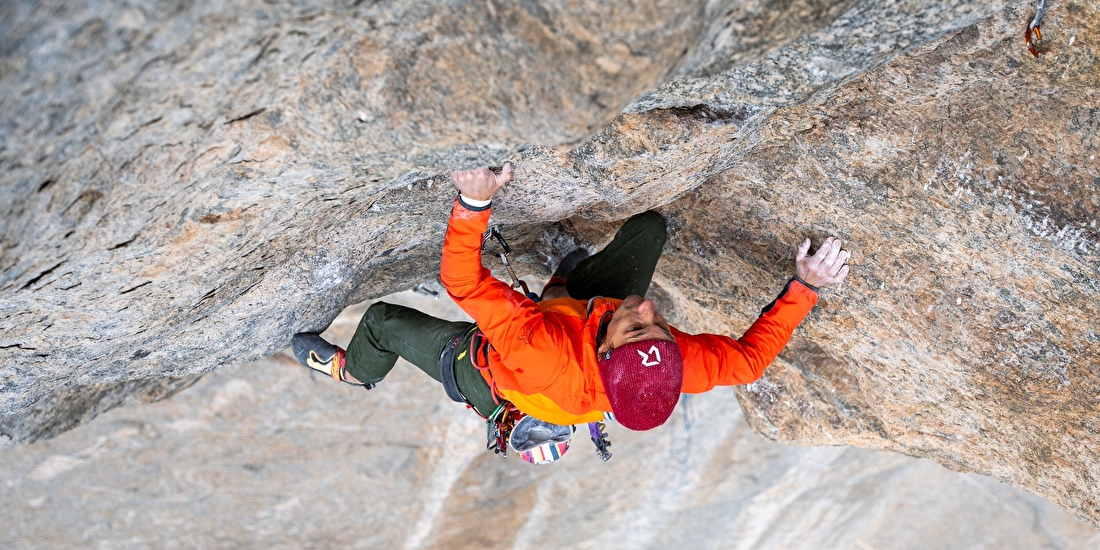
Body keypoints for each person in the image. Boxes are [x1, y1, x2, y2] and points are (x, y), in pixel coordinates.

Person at [293, 163, 849, 450]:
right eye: (661, 332)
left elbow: (461, 279)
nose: (650, 310)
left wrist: (475, 200)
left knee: (383, 324)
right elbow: (750, 362)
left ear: (608, 353)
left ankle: (350, 370)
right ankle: (565, 282)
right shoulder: (670, 365)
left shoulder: (538, 352)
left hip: (491, 372)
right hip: (578, 325)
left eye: (637, 329)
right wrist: (806, 286)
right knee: (648, 232)